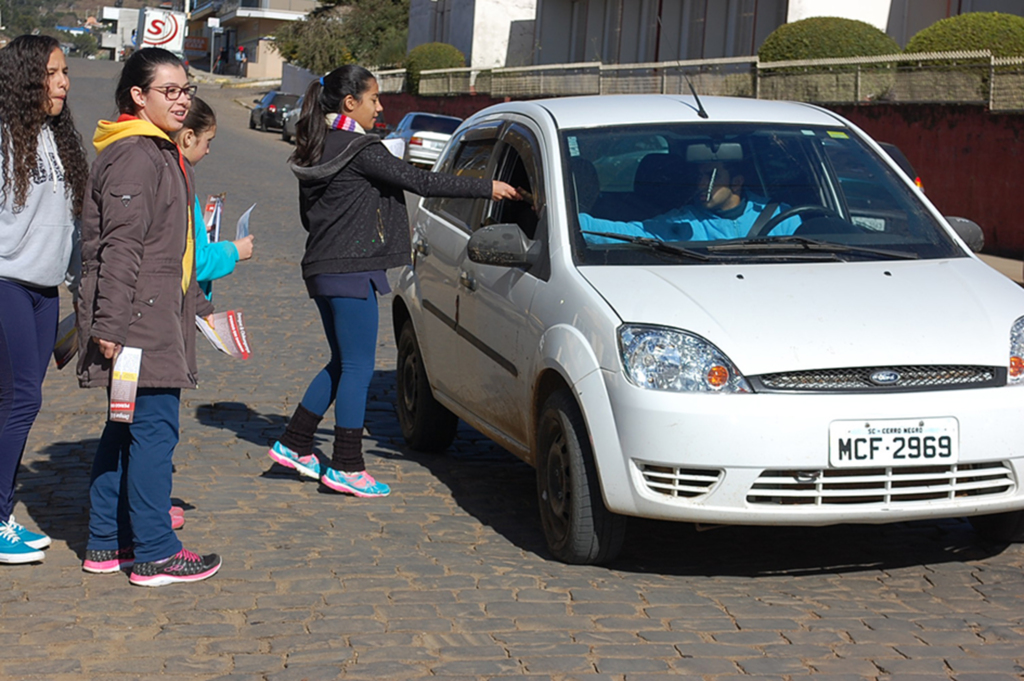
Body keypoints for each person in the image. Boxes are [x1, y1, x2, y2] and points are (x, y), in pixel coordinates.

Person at [268, 64, 519, 497]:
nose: (380, 107)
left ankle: (295, 442)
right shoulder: (362, 149)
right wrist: (487, 188)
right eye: (374, 98)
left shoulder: (317, 145)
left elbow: (309, 217)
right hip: (351, 271)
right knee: (358, 367)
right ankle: (347, 465)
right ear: (351, 102)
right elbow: (421, 181)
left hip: (322, 269)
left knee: (342, 362)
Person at [76, 47, 221, 586]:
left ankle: (106, 542)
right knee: (155, 434)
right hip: (140, 322)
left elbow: (172, 248)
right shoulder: (137, 155)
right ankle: (157, 552)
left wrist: (198, 307)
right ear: (138, 96)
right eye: (170, 91)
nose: (182, 101)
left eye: (186, 91)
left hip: (152, 312)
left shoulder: (156, 150)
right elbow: (120, 249)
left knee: (124, 431)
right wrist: (110, 325)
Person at [0, 35, 89, 565]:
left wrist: (81, 289)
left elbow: (70, 228)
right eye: (52, 73)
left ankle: (3, 514)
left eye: (65, 73)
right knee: (21, 401)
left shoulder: (57, 139)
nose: (62, 83)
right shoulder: (3, 138)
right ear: (25, 78)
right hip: (6, 283)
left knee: (17, 402)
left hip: (44, 291)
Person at [581, 159, 801, 244]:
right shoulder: (683, 223)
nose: (701, 184)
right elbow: (629, 233)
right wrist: (572, 222)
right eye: (699, 177)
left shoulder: (782, 217)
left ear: (736, 183)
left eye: (712, 177)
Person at [173, 96, 255, 301]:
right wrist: (233, 251)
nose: (208, 151)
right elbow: (191, 262)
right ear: (188, 138)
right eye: (207, 141)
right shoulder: (176, 184)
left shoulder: (177, 178)